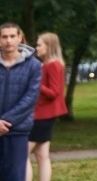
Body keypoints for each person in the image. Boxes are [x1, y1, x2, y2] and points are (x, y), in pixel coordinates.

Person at [0, 22, 42, 181]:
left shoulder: (34, 66)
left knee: (14, 176)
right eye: (4, 37)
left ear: (20, 38)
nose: (8, 41)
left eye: (12, 36)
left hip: (17, 132)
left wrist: (4, 123)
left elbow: (30, 98)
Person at [26, 33, 68, 181]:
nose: (36, 48)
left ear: (49, 47)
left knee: (22, 154)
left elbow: (55, 92)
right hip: (42, 114)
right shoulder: (47, 64)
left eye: (39, 45)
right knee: (42, 155)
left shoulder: (53, 65)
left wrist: (36, 83)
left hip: (43, 116)